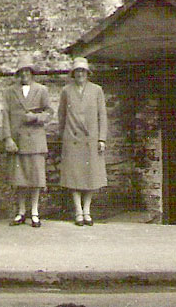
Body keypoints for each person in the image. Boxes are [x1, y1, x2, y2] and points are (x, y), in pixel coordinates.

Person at [0, 54, 53, 228]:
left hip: (36, 140)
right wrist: (8, 138)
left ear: (32, 73)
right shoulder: (9, 92)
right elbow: (5, 116)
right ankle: (21, 212)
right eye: (21, 72)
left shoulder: (41, 90)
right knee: (19, 178)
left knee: (36, 178)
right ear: (18, 74)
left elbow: (49, 113)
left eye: (27, 72)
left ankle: (35, 212)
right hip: (18, 141)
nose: (24, 75)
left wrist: (36, 118)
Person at [58, 57, 108, 226]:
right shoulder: (66, 91)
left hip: (90, 139)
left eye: (83, 71)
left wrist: (102, 138)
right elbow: (62, 116)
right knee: (74, 175)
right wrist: (64, 136)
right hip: (72, 139)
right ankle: (78, 211)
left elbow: (102, 116)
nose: (80, 74)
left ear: (87, 74)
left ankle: (87, 210)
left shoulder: (96, 90)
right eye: (77, 71)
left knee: (91, 174)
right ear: (73, 74)